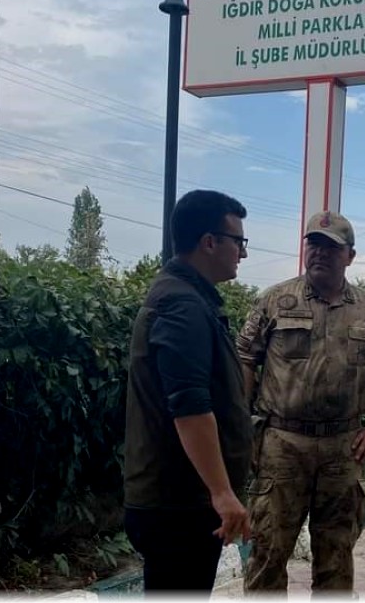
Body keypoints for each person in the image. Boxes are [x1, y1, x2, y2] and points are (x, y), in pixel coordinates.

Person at [238, 210, 365, 594]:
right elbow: (245, 359)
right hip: (282, 446)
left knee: (336, 558)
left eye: (331, 248)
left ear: (349, 256)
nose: (320, 254)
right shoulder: (275, 301)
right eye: (313, 244)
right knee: (268, 553)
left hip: (343, 448)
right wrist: (242, 422)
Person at [123, 189, 254, 593]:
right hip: (178, 504)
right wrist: (222, 493)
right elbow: (190, 407)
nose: (243, 254)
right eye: (238, 241)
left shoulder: (188, 298)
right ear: (209, 242)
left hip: (180, 499)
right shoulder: (183, 305)